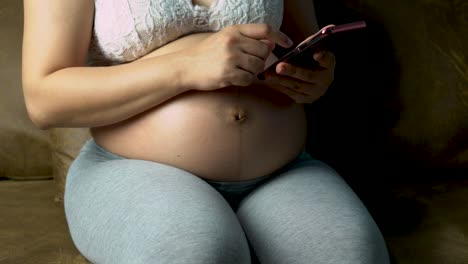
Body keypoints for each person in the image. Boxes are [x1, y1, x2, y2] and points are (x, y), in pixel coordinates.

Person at [22, 0, 390, 263]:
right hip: (135, 169)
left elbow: (300, 46)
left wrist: (315, 78)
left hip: (282, 170)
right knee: (196, 253)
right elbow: (44, 99)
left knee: (353, 254)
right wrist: (185, 67)